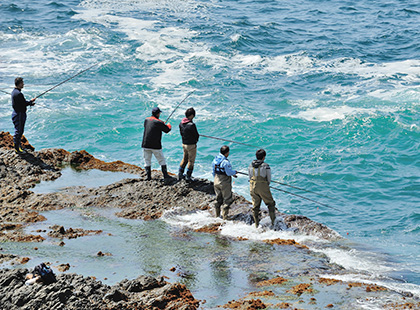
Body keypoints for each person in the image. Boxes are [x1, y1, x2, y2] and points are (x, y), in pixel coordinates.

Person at [142, 107, 172, 181]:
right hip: (155, 145)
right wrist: (168, 125)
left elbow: (151, 125)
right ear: (158, 114)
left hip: (145, 144)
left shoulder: (146, 120)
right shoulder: (159, 122)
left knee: (147, 160)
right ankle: (165, 175)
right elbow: (167, 130)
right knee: (161, 160)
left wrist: (161, 124)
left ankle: (148, 176)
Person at [248, 149, 276, 228]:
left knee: (255, 206)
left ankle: (256, 224)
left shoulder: (250, 165)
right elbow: (269, 178)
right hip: (263, 186)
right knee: (270, 204)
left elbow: (250, 177)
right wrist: (266, 185)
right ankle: (273, 223)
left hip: (252, 185)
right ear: (264, 157)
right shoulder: (265, 166)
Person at [11, 77, 36, 154]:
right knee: (18, 131)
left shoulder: (15, 92)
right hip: (19, 114)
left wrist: (30, 102)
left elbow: (21, 103)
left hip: (17, 113)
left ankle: (19, 147)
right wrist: (30, 102)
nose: (23, 84)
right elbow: (23, 104)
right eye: (22, 83)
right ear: (19, 83)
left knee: (20, 131)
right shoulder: (18, 93)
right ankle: (17, 149)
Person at [212, 145, 237, 219]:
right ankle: (225, 217)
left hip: (216, 180)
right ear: (227, 153)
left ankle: (217, 215)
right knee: (227, 199)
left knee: (218, 199)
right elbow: (228, 173)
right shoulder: (225, 162)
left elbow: (213, 172)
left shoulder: (215, 160)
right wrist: (234, 172)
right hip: (224, 183)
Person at [178, 107, 199, 181]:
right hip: (191, 145)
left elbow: (181, 133)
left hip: (184, 144)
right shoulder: (192, 124)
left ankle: (180, 174)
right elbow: (196, 135)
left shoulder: (181, 123)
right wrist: (195, 141)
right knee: (191, 161)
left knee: (185, 159)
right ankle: (188, 177)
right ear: (192, 115)